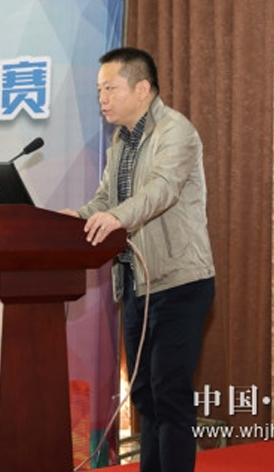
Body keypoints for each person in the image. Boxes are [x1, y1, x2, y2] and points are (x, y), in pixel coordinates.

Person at [62, 47, 215, 472]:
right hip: (135, 284)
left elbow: (161, 191)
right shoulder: (121, 140)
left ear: (142, 89)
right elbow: (105, 201)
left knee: (170, 395)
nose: (102, 98)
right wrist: (74, 218)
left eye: (110, 88)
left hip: (180, 282)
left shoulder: (176, 132)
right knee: (145, 395)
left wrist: (116, 217)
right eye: (99, 90)